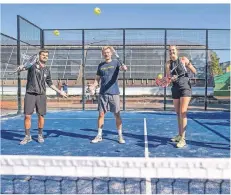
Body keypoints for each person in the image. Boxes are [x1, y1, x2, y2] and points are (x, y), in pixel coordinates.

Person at [18, 49, 67, 145]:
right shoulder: (32, 65)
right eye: (43, 55)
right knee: (27, 116)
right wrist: (21, 67)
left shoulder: (47, 69)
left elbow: (50, 83)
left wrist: (60, 92)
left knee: (41, 116)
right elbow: (24, 68)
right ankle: (27, 136)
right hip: (30, 94)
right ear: (39, 56)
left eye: (46, 55)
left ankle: (40, 134)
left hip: (41, 95)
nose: (45, 56)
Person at [89, 46, 127, 144]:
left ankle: (120, 136)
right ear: (103, 54)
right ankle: (99, 135)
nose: (106, 54)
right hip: (103, 93)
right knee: (101, 114)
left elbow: (123, 68)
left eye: (108, 52)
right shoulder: (100, 65)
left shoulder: (116, 63)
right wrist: (93, 86)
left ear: (111, 53)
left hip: (114, 93)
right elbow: (97, 80)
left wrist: (124, 67)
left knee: (117, 114)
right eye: (105, 52)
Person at [166, 45, 197, 148]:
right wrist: (170, 79)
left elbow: (194, 71)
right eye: (170, 51)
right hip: (175, 89)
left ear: (176, 51)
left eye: (173, 50)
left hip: (185, 87)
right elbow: (168, 78)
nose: (171, 52)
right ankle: (179, 135)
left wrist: (189, 74)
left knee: (183, 112)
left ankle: (183, 139)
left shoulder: (183, 59)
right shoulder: (168, 64)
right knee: (178, 113)